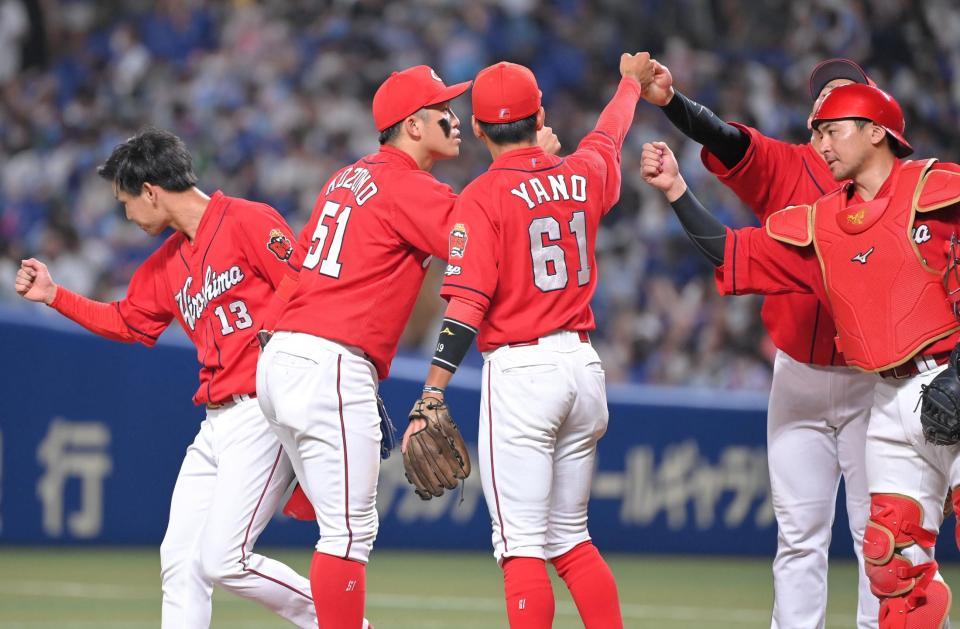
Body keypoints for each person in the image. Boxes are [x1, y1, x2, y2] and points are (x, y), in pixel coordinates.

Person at [641, 83, 956, 628]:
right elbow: (733, 251)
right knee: (892, 565)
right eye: (817, 132)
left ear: (876, 131)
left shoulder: (939, 187)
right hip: (885, 394)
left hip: (949, 378)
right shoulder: (825, 223)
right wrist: (675, 191)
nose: (821, 144)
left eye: (832, 131)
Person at [255, 64, 559, 628]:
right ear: (413, 125)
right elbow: (485, 240)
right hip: (329, 360)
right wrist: (530, 164)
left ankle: (306, 493)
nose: (456, 118)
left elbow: (297, 270)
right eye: (444, 109)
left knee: (318, 526)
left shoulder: (347, 176)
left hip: (282, 357)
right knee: (349, 534)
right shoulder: (408, 186)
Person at [13, 128, 342, 628]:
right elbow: (127, 321)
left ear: (151, 190)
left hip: (262, 408)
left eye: (127, 200)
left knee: (225, 560)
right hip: (214, 422)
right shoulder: (168, 263)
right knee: (181, 559)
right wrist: (56, 296)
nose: (126, 214)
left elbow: (302, 287)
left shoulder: (249, 220)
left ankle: (343, 622)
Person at [400, 54, 653, 629]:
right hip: (583, 366)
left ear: (481, 128)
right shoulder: (582, 171)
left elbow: (466, 305)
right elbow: (608, 137)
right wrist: (629, 86)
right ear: (539, 115)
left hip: (522, 374)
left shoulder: (482, 197)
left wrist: (433, 391)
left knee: (520, 548)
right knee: (571, 539)